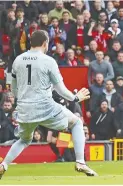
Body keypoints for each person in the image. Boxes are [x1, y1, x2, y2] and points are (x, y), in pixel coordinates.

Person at [0, 30, 97, 179]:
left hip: (25, 109)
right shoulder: (48, 61)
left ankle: (4, 165)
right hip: (45, 106)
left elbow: (13, 88)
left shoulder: (18, 60)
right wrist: (75, 98)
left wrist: (22, 101)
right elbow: (61, 89)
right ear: (45, 44)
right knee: (76, 123)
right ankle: (80, 162)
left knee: (24, 139)